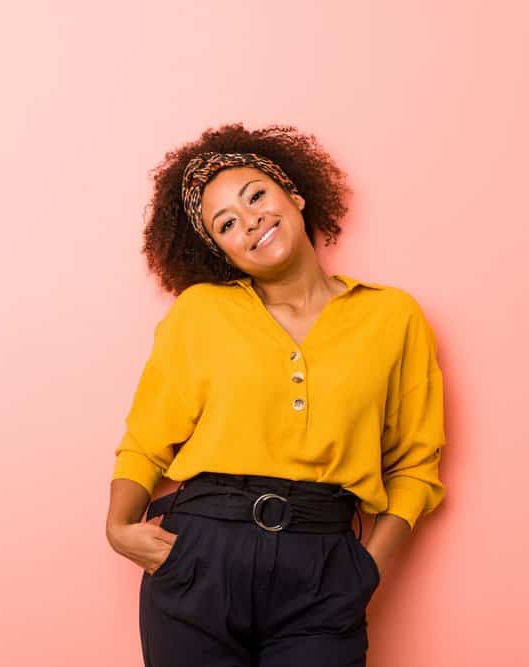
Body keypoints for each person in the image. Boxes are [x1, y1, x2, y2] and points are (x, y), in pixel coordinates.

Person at [105, 123, 447, 667]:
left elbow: (414, 462)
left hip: (323, 564)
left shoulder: (393, 316)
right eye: (226, 224)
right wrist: (118, 527)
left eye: (256, 196)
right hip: (200, 555)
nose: (251, 221)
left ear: (294, 194)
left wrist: (366, 572)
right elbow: (146, 440)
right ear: (221, 251)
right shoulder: (202, 312)